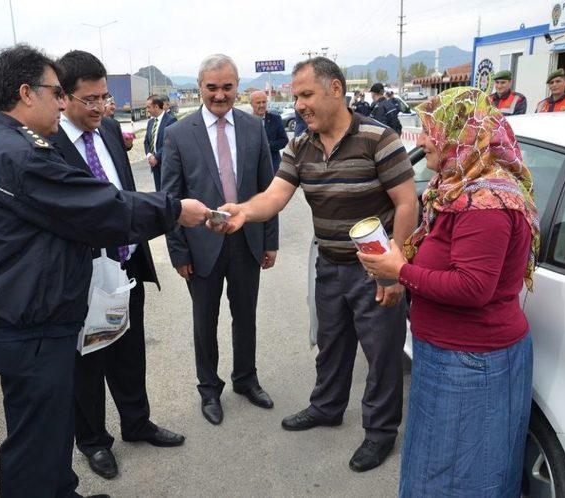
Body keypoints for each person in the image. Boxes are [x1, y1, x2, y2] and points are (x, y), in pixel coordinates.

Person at [0, 44, 209, 498]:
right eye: (56, 92)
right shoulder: (20, 155)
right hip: (31, 323)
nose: (61, 102)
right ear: (25, 93)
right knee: (34, 444)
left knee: (49, 434)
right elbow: (98, 206)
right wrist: (174, 209)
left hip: (32, 311)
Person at [210, 57, 417, 472]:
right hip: (329, 264)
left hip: (375, 267)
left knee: (381, 355)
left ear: (335, 89)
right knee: (332, 342)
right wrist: (245, 213)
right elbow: (275, 195)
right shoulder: (300, 145)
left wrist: (397, 266)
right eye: (295, 96)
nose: (299, 104)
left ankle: (380, 433)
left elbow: (406, 202)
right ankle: (327, 406)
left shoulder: (380, 138)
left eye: (306, 94)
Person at [358, 87, 539, 496]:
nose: (422, 141)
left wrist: (401, 271)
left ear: (461, 133)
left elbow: (473, 287)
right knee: (446, 469)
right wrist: (399, 259)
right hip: (455, 356)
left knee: (458, 478)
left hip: (470, 362)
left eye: (430, 131)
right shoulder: (461, 187)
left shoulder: (485, 203)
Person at [50, 50, 185, 481]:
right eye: (88, 100)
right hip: (83, 278)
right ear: (62, 97)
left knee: (130, 350)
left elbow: (124, 196)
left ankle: (137, 422)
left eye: (103, 97)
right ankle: (93, 441)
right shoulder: (46, 145)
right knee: (88, 363)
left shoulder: (108, 129)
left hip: (125, 266)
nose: (98, 108)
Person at [161, 54, 279, 425]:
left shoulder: (251, 127)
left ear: (237, 87)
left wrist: (270, 241)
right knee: (205, 321)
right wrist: (179, 251)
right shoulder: (178, 134)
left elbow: (267, 188)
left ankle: (246, 379)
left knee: (245, 316)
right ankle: (209, 389)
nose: (219, 95)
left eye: (227, 87)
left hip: (247, 241)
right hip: (201, 248)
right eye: (211, 87)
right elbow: (170, 198)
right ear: (199, 88)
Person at [249, 90, 288, 172]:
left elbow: (284, 140)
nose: (262, 105)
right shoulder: (245, 121)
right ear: (251, 104)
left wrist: (268, 146)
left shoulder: (275, 119)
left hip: (272, 166)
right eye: (258, 102)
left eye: (264, 102)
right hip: (253, 167)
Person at [145, 94, 177, 191]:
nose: (147, 110)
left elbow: (170, 143)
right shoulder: (150, 122)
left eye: (148, 107)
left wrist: (157, 157)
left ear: (156, 107)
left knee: (168, 193)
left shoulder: (171, 120)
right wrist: (149, 155)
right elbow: (146, 141)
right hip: (155, 165)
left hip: (166, 164)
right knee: (159, 193)